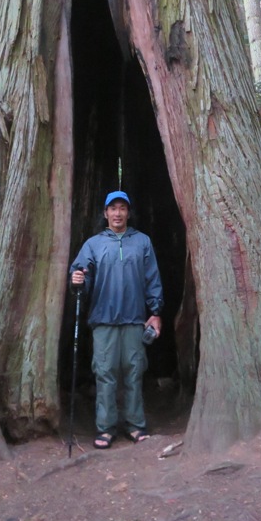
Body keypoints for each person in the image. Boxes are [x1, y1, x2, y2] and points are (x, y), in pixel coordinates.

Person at [70, 190, 164, 449]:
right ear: (105, 213)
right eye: (113, 208)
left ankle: (135, 425)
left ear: (128, 213)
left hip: (134, 319)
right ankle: (106, 428)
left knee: (134, 372)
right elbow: (82, 275)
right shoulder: (94, 244)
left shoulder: (142, 242)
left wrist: (155, 312)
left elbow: (152, 279)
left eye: (122, 208)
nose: (118, 213)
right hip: (104, 319)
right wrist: (77, 280)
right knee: (105, 373)